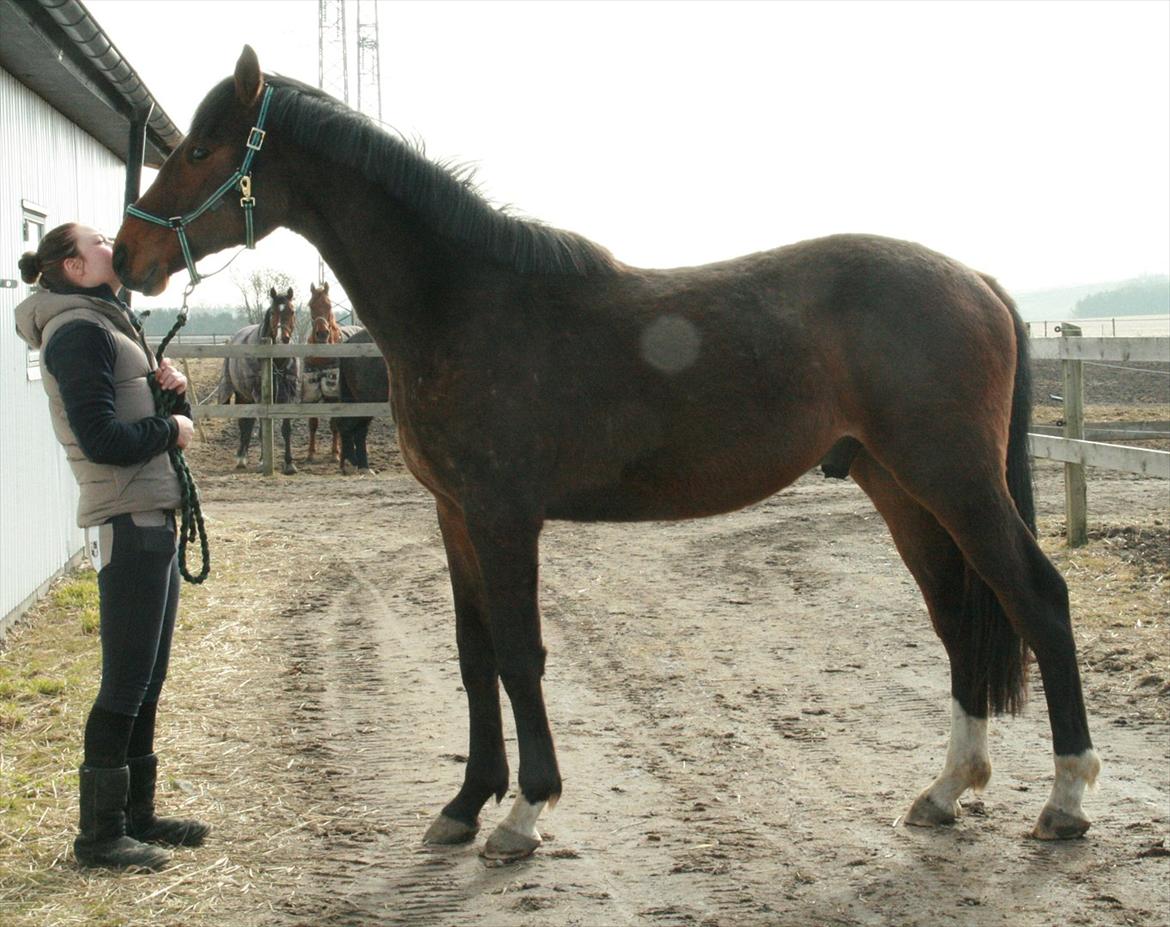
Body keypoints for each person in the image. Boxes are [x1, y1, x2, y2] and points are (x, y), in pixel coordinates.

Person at [14, 223, 208, 871]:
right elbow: (101, 438)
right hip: (125, 516)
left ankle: (136, 816)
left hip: (149, 513)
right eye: (97, 239)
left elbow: (135, 420)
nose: (110, 242)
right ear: (73, 265)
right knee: (124, 678)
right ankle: (98, 836)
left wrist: (169, 394)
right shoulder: (77, 331)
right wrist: (171, 425)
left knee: (148, 677)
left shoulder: (106, 319)